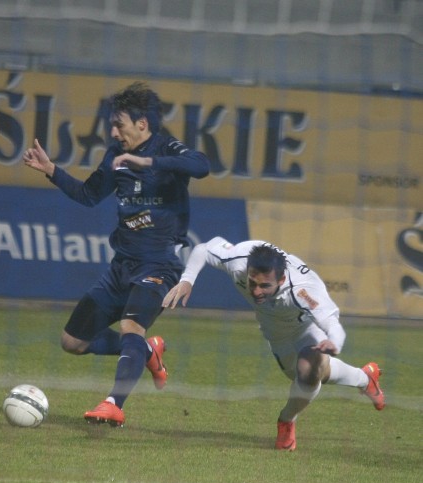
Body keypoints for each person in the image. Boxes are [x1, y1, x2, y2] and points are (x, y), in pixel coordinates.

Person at [22, 80, 210, 427]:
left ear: (142, 124)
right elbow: (89, 195)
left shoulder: (167, 148)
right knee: (73, 341)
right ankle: (146, 351)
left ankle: (114, 403)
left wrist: (147, 161)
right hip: (120, 269)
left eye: (118, 124)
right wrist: (52, 170)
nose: (113, 131)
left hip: (159, 267)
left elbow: (201, 165)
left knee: (130, 326)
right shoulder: (114, 156)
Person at [162, 236, 385, 451]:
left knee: (309, 370)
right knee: (306, 376)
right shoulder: (239, 260)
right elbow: (203, 249)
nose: (256, 291)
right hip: (276, 336)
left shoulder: (303, 289)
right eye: (252, 283)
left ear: (281, 280)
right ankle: (365, 378)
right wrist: (187, 281)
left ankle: (286, 421)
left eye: (264, 286)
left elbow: (333, 325)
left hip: (308, 330)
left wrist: (333, 343)